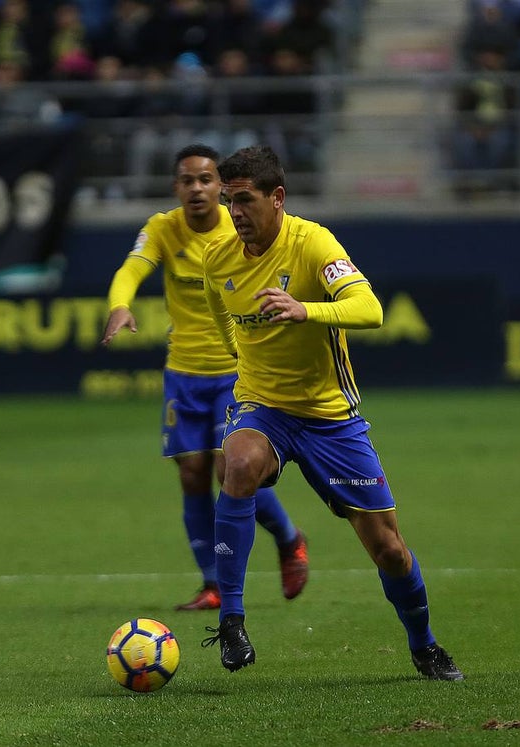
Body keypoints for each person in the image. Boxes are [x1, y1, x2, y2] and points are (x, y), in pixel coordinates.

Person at [199, 145, 463, 681]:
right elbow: (225, 322)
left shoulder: (312, 242)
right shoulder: (219, 260)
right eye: (228, 202)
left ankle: (424, 644)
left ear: (277, 198)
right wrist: (243, 369)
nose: (236, 213)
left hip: (328, 418)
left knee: (388, 549)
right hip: (263, 408)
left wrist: (306, 309)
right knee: (239, 463)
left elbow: (370, 309)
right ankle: (231, 619)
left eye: (245, 200)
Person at [101, 144, 309, 612]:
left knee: (226, 467)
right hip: (183, 373)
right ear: (176, 187)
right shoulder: (162, 228)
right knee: (192, 474)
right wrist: (120, 304)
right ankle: (211, 583)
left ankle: (290, 538)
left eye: (206, 179)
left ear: (221, 187)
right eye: (187, 180)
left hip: (234, 371)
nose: (196, 188)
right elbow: (131, 269)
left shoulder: (238, 232)